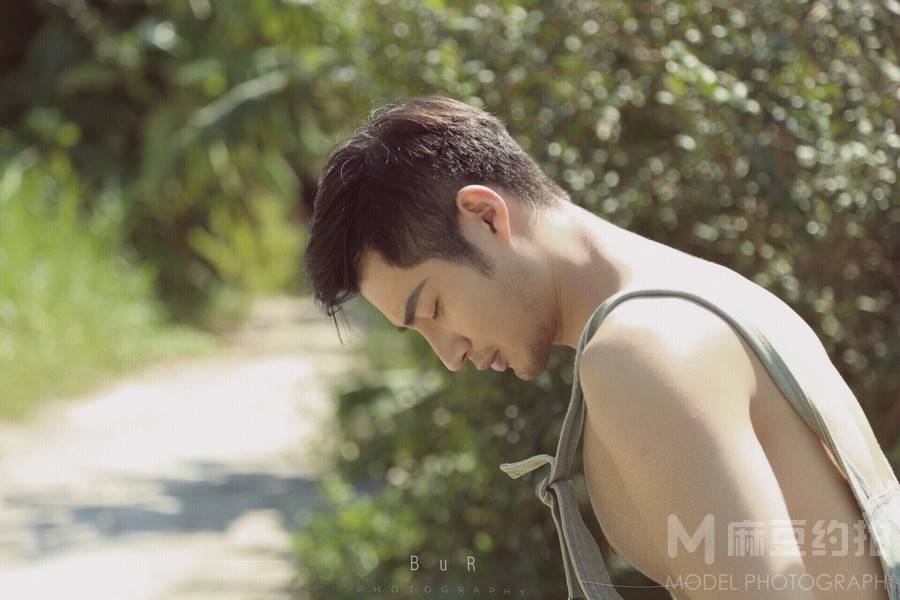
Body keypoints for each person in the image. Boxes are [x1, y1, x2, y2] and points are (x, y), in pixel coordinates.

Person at [303, 95, 899, 599]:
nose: (449, 355)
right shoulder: (710, 294)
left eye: (434, 309)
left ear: (485, 217)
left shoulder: (640, 350)